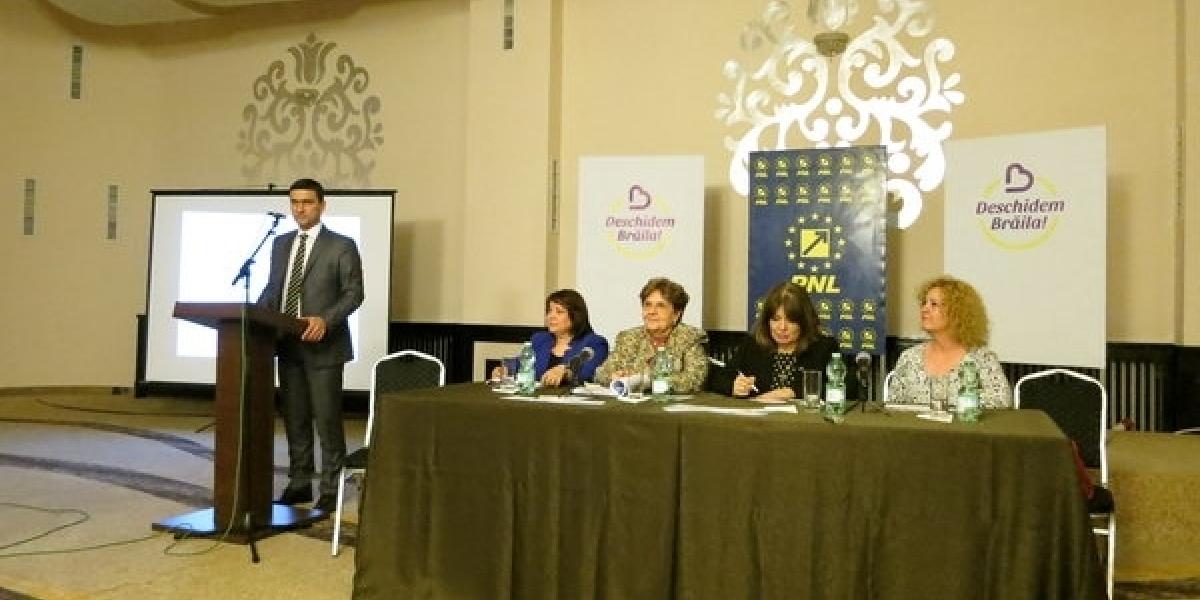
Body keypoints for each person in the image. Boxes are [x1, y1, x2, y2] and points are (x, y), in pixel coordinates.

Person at [257, 178, 364, 513]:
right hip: (287, 343)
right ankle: (300, 482)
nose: (300, 209)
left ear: (321, 205)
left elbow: (354, 293)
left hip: (324, 346)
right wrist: (254, 315)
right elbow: (274, 289)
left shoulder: (341, 245)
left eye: (307, 202)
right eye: (295, 202)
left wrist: (326, 320)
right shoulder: (280, 244)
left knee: (327, 419)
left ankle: (331, 487)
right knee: (295, 418)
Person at [887, 275, 1011, 408]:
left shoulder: (982, 358)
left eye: (934, 304)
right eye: (924, 303)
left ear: (957, 312)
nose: (924, 309)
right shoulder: (909, 358)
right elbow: (893, 406)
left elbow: (1001, 403)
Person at [710, 281, 842, 402]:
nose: (782, 327)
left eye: (791, 320)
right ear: (767, 321)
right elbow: (718, 378)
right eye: (776, 319)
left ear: (804, 322)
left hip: (803, 419)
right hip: (758, 418)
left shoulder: (823, 347)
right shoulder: (753, 345)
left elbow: (845, 387)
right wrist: (733, 386)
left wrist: (794, 392)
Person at [594, 277, 708, 394]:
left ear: (676, 314)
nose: (652, 311)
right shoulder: (629, 337)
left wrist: (646, 379)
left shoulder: (690, 338)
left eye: (660, 306)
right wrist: (614, 376)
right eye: (647, 305)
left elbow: (694, 380)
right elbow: (601, 373)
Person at [492, 289, 610, 387]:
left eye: (559, 312)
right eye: (549, 311)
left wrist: (564, 370)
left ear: (576, 316)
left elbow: (588, 371)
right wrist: (505, 370)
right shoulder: (540, 339)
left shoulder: (595, 342)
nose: (551, 316)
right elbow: (522, 364)